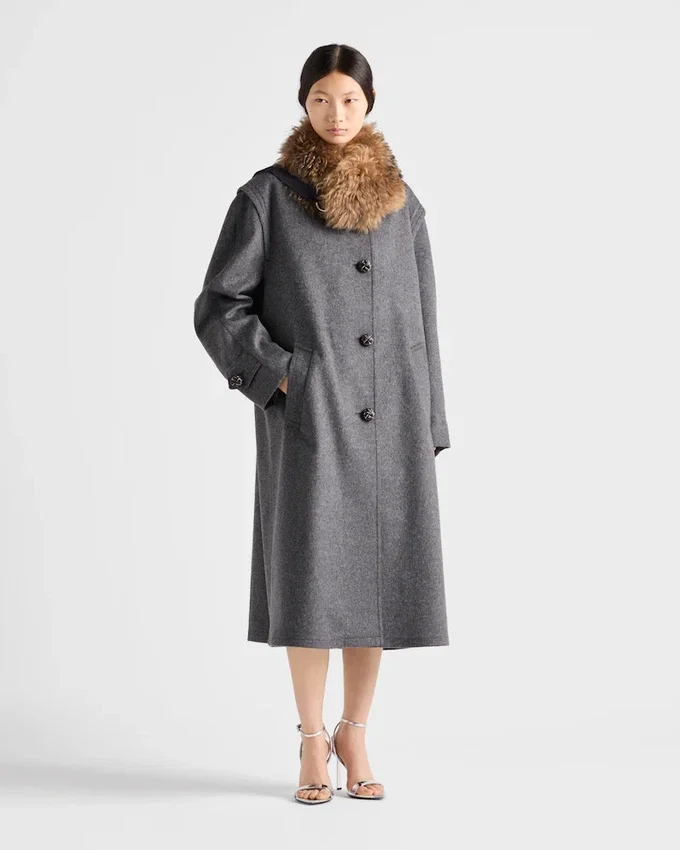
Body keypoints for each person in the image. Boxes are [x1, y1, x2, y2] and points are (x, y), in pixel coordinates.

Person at [193, 43, 452, 804]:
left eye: (349, 100)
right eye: (320, 100)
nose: (336, 114)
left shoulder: (403, 202)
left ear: (369, 105)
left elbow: (425, 319)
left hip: (392, 421)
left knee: (380, 584)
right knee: (309, 582)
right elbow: (219, 306)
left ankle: (355, 732)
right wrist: (283, 377)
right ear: (302, 104)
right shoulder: (267, 198)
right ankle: (311, 740)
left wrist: (429, 419)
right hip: (312, 420)